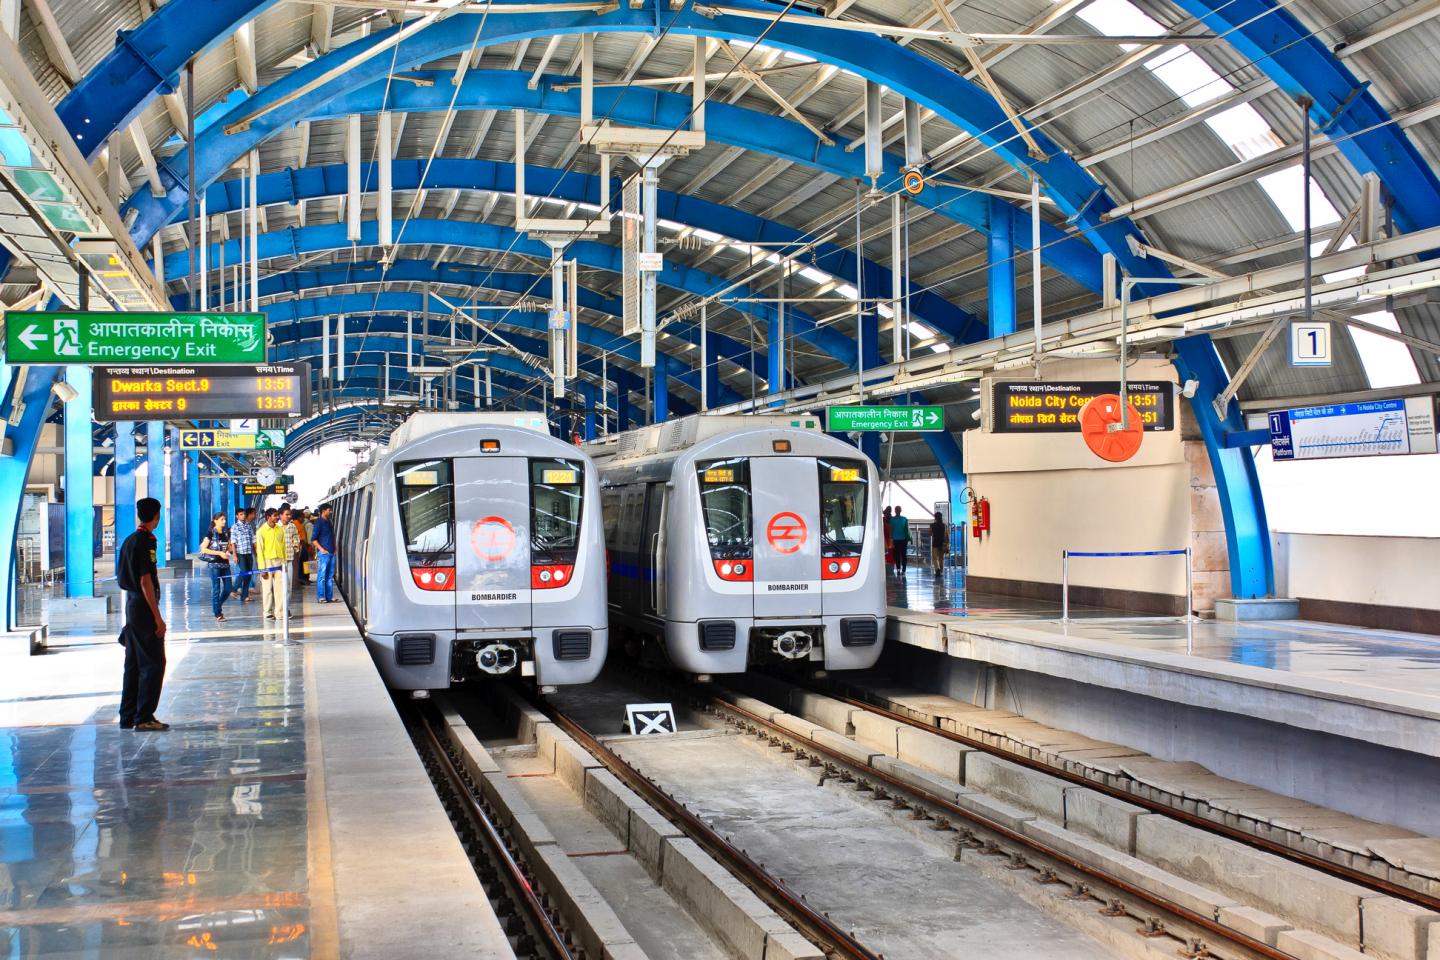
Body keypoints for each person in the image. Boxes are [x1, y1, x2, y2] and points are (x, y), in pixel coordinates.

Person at [117, 497, 169, 731]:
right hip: (143, 607)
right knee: (154, 663)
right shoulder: (146, 541)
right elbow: (145, 580)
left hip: (132, 606)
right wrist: (157, 617)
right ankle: (144, 716)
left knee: (134, 663)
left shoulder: (129, 540)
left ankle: (128, 715)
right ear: (156, 516)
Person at [199, 512, 236, 622]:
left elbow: (227, 547)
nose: (224, 521)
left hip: (225, 564)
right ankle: (218, 613)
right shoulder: (210, 533)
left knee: (228, 588)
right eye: (221, 519)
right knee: (216, 589)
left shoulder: (225, 533)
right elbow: (203, 549)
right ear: (215, 521)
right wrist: (219, 553)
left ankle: (217, 605)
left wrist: (228, 552)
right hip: (214, 565)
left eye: (224, 519)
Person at [256, 508, 289, 622]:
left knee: (280, 588)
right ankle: (267, 612)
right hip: (267, 562)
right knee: (267, 589)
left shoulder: (280, 530)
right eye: (275, 516)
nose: (277, 517)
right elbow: (259, 551)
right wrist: (262, 568)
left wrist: (285, 563)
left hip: (279, 562)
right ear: (268, 517)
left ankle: (279, 612)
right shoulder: (261, 531)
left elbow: (283, 547)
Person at [312, 504, 336, 603]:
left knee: (330, 576)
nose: (331, 512)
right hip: (324, 554)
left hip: (331, 552)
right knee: (322, 576)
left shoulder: (329, 522)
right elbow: (313, 539)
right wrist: (321, 550)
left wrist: (335, 548)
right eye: (329, 510)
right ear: (323, 511)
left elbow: (332, 535)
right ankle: (321, 596)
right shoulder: (319, 523)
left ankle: (329, 596)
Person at [231, 508, 255, 602]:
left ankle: (244, 596)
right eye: (241, 514)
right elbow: (233, 542)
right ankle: (234, 588)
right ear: (237, 516)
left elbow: (253, 539)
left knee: (248, 575)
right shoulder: (235, 527)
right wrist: (234, 555)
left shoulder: (249, 526)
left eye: (244, 514)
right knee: (244, 571)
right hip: (240, 553)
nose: (243, 516)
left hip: (249, 553)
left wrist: (256, 552)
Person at [291, 507, 310, 585]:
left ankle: (303, 578)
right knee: (303, 563)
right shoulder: (298, 525)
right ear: (299, 517)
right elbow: (301, 539)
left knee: (301, 563)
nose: (303, 519)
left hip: (299, 547)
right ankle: (303, 578)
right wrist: (306, 547)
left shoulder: (294, 523)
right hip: (301, 547)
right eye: (302, 517)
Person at [890, 507, 910, 575]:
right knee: (903, 555)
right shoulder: (904, 519)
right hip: (903, 539)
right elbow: (907, 530)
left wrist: (891, 538)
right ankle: (903, 570)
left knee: (897, 555)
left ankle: (898, 569)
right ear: (901, 511)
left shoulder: (892, 519)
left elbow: (891, 529)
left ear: (895, 511)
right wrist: (909, 538)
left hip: (896, 539)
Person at [929, 510, 948, 574]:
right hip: (942, 543)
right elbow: (946, 535)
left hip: (935, 543)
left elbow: (930, 534)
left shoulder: (932, 525)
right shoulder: (944, 525)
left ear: (935, 518)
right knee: (941, 558)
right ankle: (941, 571)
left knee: (935, 558)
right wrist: (948, 543)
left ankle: (937, 569)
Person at [882, 506, 894, 573]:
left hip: (884, 538)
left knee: (885, 553)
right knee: (891, 553)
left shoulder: (883, 520)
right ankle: (891, 568)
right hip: (891, 539)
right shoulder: (892, 519)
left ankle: (885, 566)